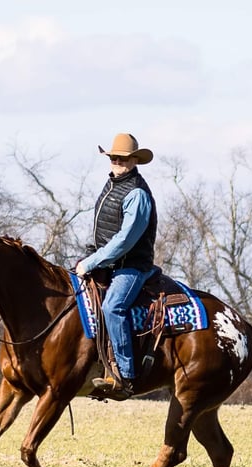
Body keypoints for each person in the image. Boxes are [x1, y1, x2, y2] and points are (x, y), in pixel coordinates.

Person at [75, 133, 158, 400]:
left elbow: (125, 240)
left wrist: (93, 261)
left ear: (135, 160)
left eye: (122, 158)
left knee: (113, 306)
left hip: (132, 267)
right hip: (108, 262)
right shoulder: (112, 184)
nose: (117, 162)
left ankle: (125, 376)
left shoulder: (137, 194)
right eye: (113, 157)